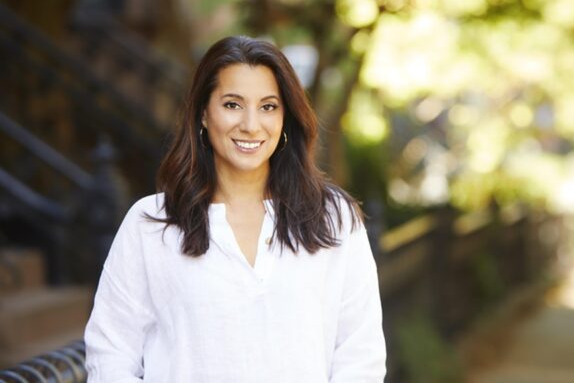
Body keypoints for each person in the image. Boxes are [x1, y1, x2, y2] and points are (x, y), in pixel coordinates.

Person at [84, 35, 386, 382]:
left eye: (268, 106)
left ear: (285, 117)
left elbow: (360, 355)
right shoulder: (151, 224)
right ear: (203, 114)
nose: (251, 124)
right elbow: (111, 353)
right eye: (232, 104)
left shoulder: (334, 219)